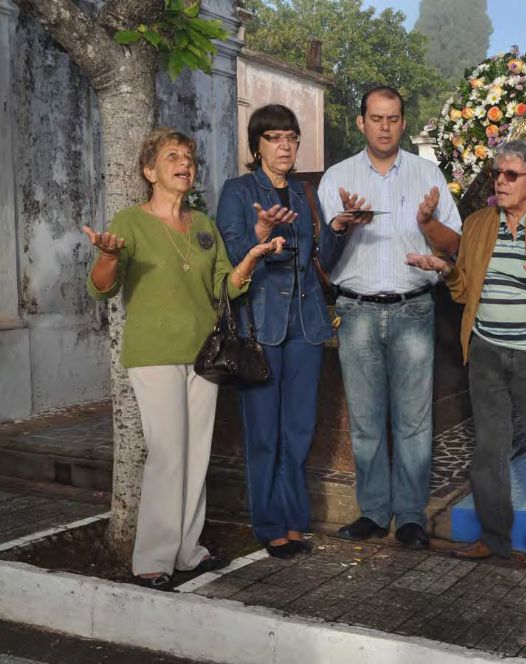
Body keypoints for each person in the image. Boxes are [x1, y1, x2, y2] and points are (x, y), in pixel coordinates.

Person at [85, 128, 285, 590]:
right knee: (168, 454)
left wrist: (250, 259)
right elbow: (101, 286)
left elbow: (223, 287)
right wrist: (109, 257)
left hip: (204, 356)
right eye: (172, 156)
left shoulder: (200, 224)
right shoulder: (130, 222)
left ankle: (187, 551)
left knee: (196, 454)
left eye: (189, 157)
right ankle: (153, 559)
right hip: (153, 354)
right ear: (149, 170)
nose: (184, 163)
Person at [406, 140, 526, 572]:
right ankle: (493, 537)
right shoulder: (477, 224)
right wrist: (446, 271)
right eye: (496, 174)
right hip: (486, 350)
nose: (500, 182)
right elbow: (466, 290)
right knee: (489, 449)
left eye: (511, 175)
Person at [318, 85, 462, 549]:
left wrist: (428, 226)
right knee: (364, 420)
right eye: (376, 118)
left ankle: (412, 516)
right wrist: (341, 223)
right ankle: (374, 512)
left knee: (414, 421)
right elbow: (322, 251)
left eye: (393, 118)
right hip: (356, 311)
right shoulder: (336, 178)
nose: (384, 126)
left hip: (413, 309)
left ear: (403, 122)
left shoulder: (428, 175)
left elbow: (455, 244)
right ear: (361, 122)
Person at [216, 104, 351, 559]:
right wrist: (260, 233)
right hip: (261, 327)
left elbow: (322, 260)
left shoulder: (304, 194)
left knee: (297, 430)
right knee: (263, 433)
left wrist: (336, 227)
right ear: (257, 146)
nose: (285, 145)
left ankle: (295, 521)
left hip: (307, 326)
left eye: (291, 137)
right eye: (274, 138)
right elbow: (235, 254)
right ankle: (268, 523)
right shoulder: (237, 191)